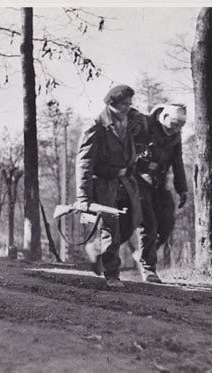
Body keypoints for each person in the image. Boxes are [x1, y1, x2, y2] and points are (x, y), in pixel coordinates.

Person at [75, 84, 145, 288]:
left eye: (130, 104)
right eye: (124, 104)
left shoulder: (129, 122)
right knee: (111, 228)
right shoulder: (96, 127)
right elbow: (84, 163)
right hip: (104, 183)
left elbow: (142, 124)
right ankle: (112, 274)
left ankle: (96, 249)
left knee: (132, 221)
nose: (128, 107)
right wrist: (83, 197)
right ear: (112, 104)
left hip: (126, 182)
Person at [134, 104, 188, 283]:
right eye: (174, 123)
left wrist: (182, 189)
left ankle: (141, 253)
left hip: (159, 183)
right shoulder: (144, 126)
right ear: (163, 117)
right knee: (149, 223)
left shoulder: (175, 136)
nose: (176, 128)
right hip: (137, 181)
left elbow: (178, 162)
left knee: (166, 224)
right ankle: (148, 269)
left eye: (181, 125)